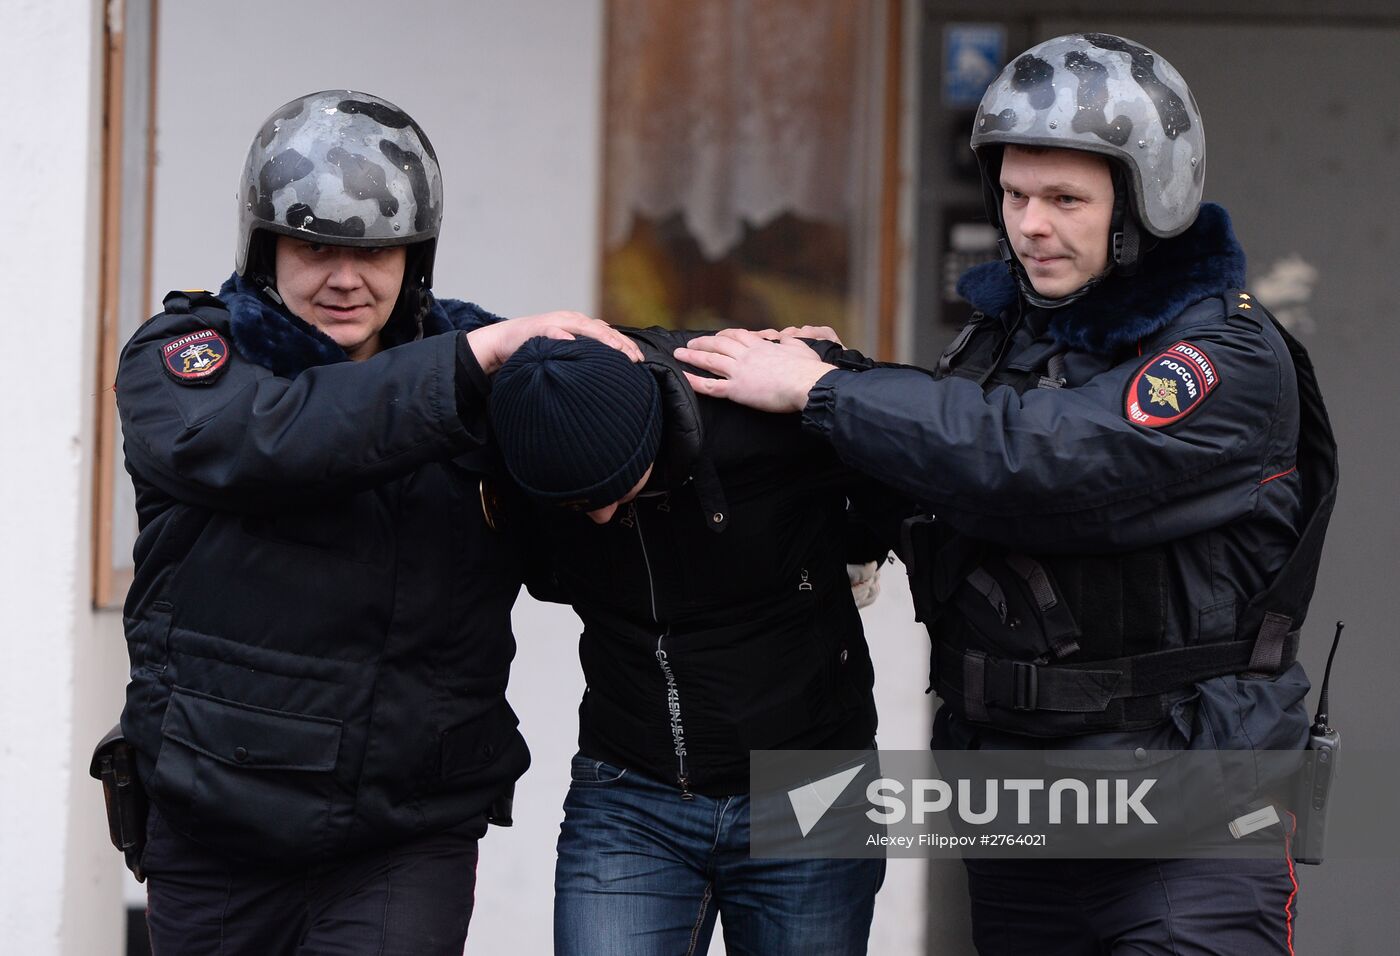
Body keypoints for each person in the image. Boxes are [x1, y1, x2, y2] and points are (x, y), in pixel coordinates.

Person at [676, 33, 1338, 954]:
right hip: (1027, 821)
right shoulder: (1004, 338)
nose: (1030, 225)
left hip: (1194, 826)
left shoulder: (1225, 356)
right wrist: (826, 387)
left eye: (1066, 200)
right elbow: (948, 472)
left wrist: (830, 394)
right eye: (1017, 196)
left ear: (1147, 207)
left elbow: (1047, 461)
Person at [112, 89, 638, 955]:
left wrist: (796, 380)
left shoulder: (480, 360)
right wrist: (470, 367)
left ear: (413, 257)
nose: (347, 277)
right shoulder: (187, 360)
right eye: (316, 245)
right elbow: (271, 440)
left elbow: (606, 397)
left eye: (376, 250)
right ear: (265, 244)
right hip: (219, 826)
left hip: (406, 835)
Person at [485, 331, 891, 955]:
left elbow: (906, 454)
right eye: (574, 503)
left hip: (814, 785)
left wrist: (857, 542)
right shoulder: (519, 426)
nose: (597, 516)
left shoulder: (755, 407)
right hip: (629, 789)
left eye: (613, 488)